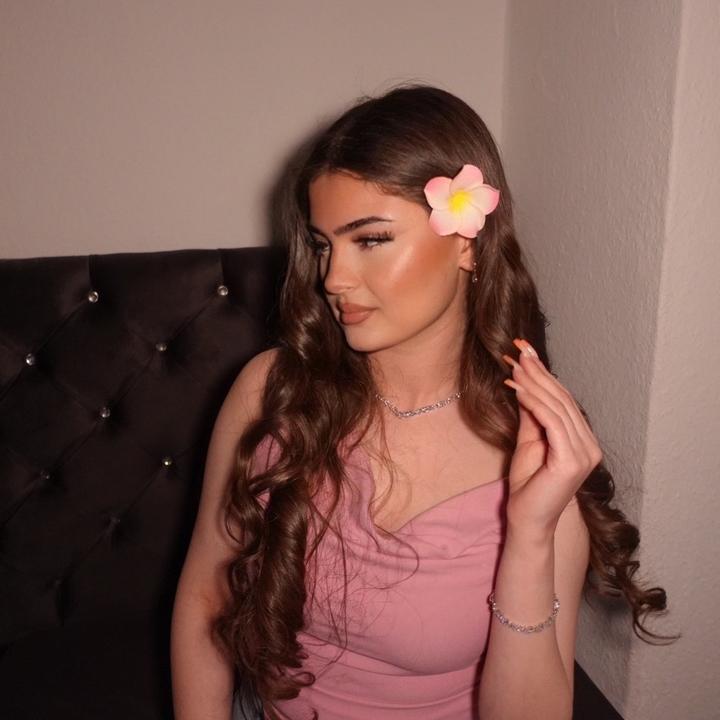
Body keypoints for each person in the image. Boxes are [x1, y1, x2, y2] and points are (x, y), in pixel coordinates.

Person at [170, 83, 679, 720]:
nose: (333, 279)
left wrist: (528, 534)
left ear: (467, 241)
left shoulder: (536, 446)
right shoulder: (273, 389)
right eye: (324, 245)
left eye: (370, 239)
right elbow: (206, 596)